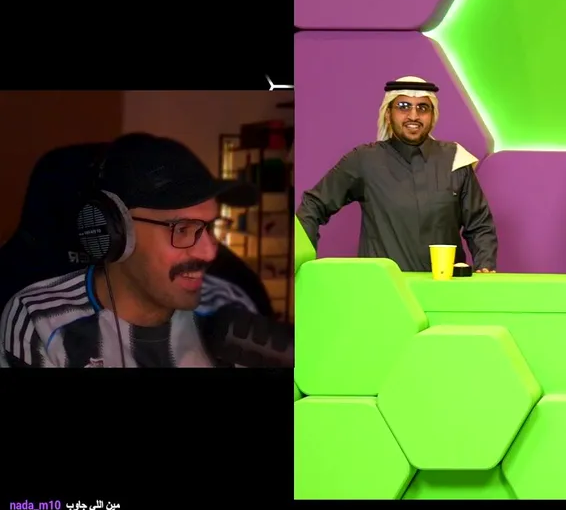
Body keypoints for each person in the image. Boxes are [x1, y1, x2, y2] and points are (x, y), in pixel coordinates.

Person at [1, 133, 266, 368]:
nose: (209, 253)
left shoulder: (228, 305)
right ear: (114, 231)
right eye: (182, 229)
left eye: (211, 227)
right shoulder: (41, 322)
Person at [297, 76, 498, 274]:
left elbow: (479, 225)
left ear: (433, 115)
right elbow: (313, 205)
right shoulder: (364, 160)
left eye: (423, 108)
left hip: (444, 288)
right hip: (383, 289)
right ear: (388, 113)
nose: (413, 116)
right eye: (403, 106)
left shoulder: (455, 159)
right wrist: (300, 261)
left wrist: (485, 266)